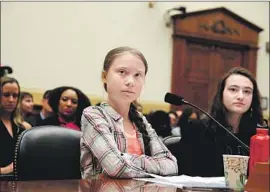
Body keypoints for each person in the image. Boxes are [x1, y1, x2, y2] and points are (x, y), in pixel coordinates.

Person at [80, 46, 178, 179]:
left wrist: (126, 159)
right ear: (104, 76)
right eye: (122, 72)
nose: (130, 82)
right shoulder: (93, 115)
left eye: (138, 75)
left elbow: (171, 165)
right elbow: (116, 167)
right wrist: (151, 165)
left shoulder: (140, 119)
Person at [168, 67, 265, 177]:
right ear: (221, 94)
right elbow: (186, 175)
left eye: (247, 91)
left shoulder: (260, 136)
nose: (240, 96)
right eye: (233, 89)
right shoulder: (197, 130)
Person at [0, 77, 31, 175]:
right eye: (6, 95)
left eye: (15, 95)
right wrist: (5, 170)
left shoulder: (24, 127)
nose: (11, 100)